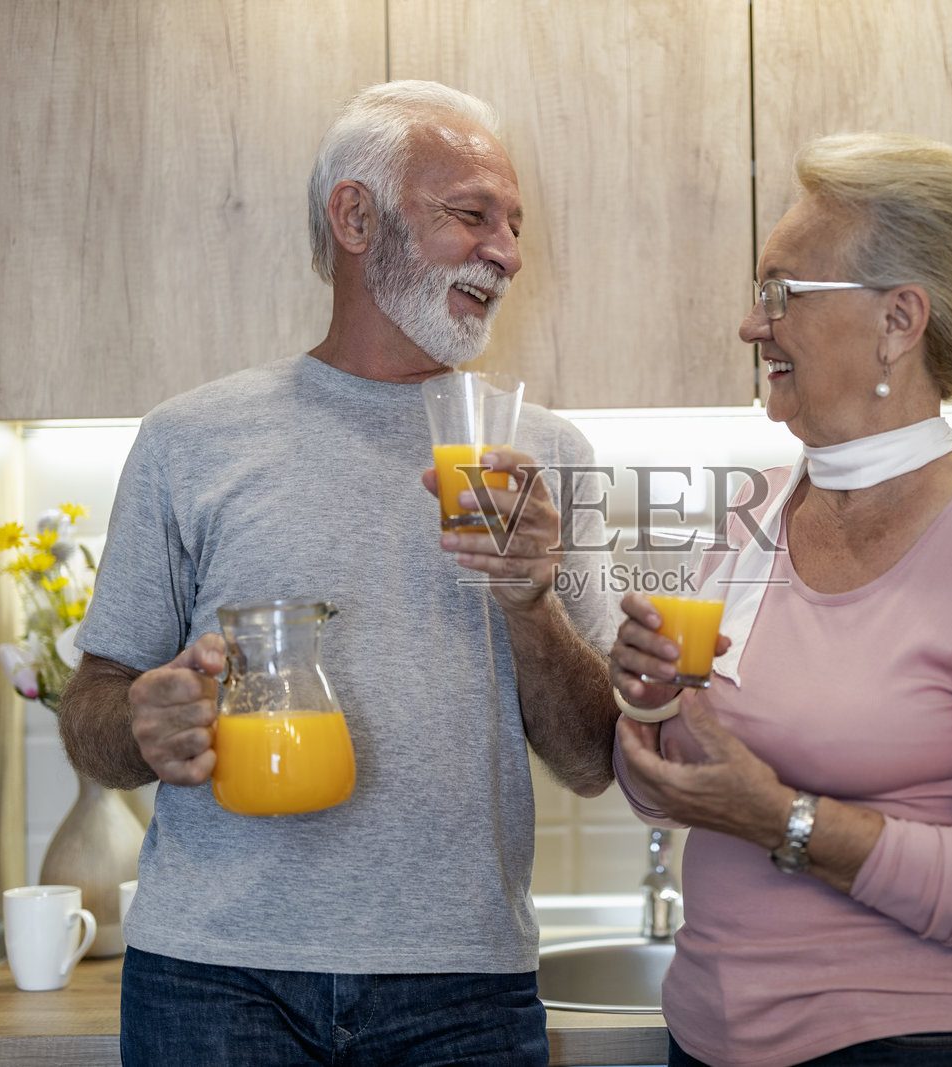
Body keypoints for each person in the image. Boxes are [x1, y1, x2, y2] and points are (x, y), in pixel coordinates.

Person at [58, 80, 619, 1066]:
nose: (509, 252)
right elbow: (94, 715)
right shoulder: (190, 439)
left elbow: (593, 757)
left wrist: (529, 602)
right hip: (212, 980)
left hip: (465, 991)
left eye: (517, 225)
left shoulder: (540, 454)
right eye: (472, 214)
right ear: (356, 216)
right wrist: (141, 718)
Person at [608, 131, 952, 1067]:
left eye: (782, 294)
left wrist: (783, 819)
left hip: (924, 1042)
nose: (755, 326)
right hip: (711, 1037)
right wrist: (646, 703)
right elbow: (667, 790)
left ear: (899, 321)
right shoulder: (752, 513)